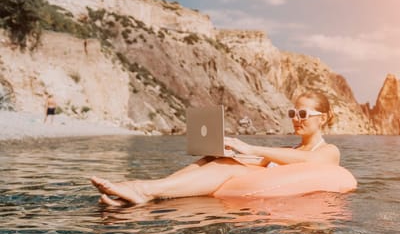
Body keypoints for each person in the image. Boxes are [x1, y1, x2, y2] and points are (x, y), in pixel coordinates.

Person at [90, 91, 340, 206]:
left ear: (324, 117)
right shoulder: (288, 148)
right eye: (293, 112)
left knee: (229, 167)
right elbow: (258, 163)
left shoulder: (329, 151)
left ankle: (144, 190)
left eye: (304, 113)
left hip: (264, 212)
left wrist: (248, 146)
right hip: (241, 197)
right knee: (213, 157)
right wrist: (231, 152)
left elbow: (313, 163)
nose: (296, 118)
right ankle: (147, 192)